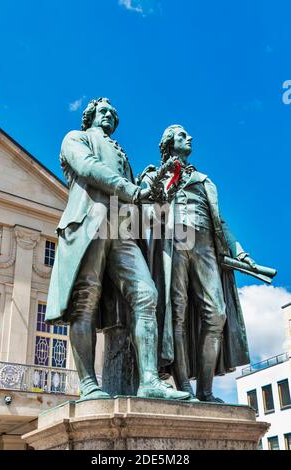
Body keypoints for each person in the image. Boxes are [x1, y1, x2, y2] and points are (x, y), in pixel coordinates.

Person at [45, 99, 189, 402]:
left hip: (124, 229)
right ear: (90, 117)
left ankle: (149, 380)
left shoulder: (122, 154)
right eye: (103, 111)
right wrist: (134, 189)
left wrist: (158, 192)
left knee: (146, 294)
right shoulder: (76, 138)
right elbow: (89, 168)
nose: (110, 115)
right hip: (89, 221)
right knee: (84, 300)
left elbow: (141, 202)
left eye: (114, 113)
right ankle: (88, 384)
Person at [140, 124, 255, 402]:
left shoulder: (204, 181)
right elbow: (143, 208)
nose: (189, 138)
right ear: (168, 143)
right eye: (182, 135)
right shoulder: (155, 176)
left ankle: (206, 390)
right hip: (173, 243)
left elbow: (221, 221)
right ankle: (185, 390)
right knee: (175, 315)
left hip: (205, 248)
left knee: (217, 314)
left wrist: (239, 251)